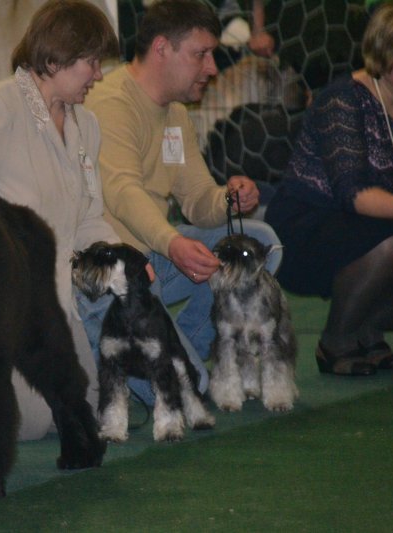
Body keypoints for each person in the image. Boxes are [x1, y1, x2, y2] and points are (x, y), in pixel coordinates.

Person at [83, 0, 282, 404]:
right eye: (201, 54)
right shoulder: (110, 102)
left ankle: (181, 350)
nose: (212, 67)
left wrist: (229, 197)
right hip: (117, 270)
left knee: (260, 245)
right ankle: (171, 362)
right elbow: (122, 192)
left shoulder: (175, 112)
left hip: (157, 254)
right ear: (162, 49)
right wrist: (172, 242)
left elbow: (197, 199)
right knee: (191, 390)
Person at [0, 0, 127, 440]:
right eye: (92, 62)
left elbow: (89, 217)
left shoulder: (86, 125)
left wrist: (125, 261)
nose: (100, 75)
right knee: (31, 425)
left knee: (82, 407)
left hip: (54, 303)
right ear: (54, 58)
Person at [265, 0, 393, 376]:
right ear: (383, 57)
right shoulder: (342, 100)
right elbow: (350, 194)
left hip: (376, 228)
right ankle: (335, 341)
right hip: (308, 225)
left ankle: (362, 328)